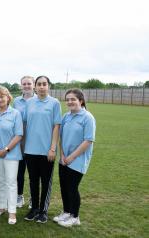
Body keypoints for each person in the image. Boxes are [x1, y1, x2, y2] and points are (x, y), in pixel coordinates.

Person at [54, 89, 96, 227]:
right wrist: (63, 155)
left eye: (73, 99)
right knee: (64, 187)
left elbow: (88, 141)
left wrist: (71, 157)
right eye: (68, 99)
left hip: (77, 160)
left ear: (81, 101)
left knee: (72, 188)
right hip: (64, 159)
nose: (70, 102)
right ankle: (66, 212)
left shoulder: (87, 117)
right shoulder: (66, 116)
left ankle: (75, 216)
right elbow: (61, 137)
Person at [23, 76, 62, 223]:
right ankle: (34, 209)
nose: (41, 87)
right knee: (33, 181)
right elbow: (25, 124)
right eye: (39, 84)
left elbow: (56, 126)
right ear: (35, 87)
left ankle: (43, 210)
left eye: (44, 84)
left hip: (47, 151)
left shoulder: (54, 103)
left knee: (46, 182)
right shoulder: (30, 103)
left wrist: (52, 148)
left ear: (48, 86)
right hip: (30, 150)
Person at [0, 87, 23, 225]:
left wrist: (6, 149)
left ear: (8, 98)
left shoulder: (15, 114)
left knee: (11, 182)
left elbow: (19, 134)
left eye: (2, 97)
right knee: (0, 180)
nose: (0, 99)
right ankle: (2, 206)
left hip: (11, 154)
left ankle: (12, 211)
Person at [13, 76, 35, 208]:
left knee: (33, 173)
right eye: (24, 84)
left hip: (34, 142)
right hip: (19, 142)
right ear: (21, 86)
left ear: (33, 85)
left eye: (29, 84)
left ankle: (34, 198)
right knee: (19, 171)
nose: (26, 86)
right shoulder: (16, 101)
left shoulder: (38, 100)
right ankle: (19, 196)